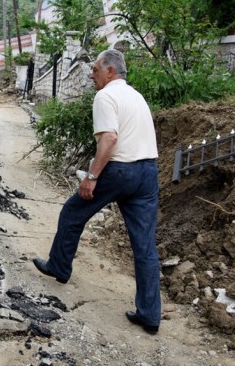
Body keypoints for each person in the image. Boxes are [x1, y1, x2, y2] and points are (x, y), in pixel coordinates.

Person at [32, 49, 161, 335]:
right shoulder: (136, 96)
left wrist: (92, 176)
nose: (91, 75)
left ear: (110, 72)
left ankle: (59, 267)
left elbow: (110, 138)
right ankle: (150, 314)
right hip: (148, 172)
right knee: (145, 246)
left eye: (95, 69)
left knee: (73, 212)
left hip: (120, 170)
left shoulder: (105, 96)